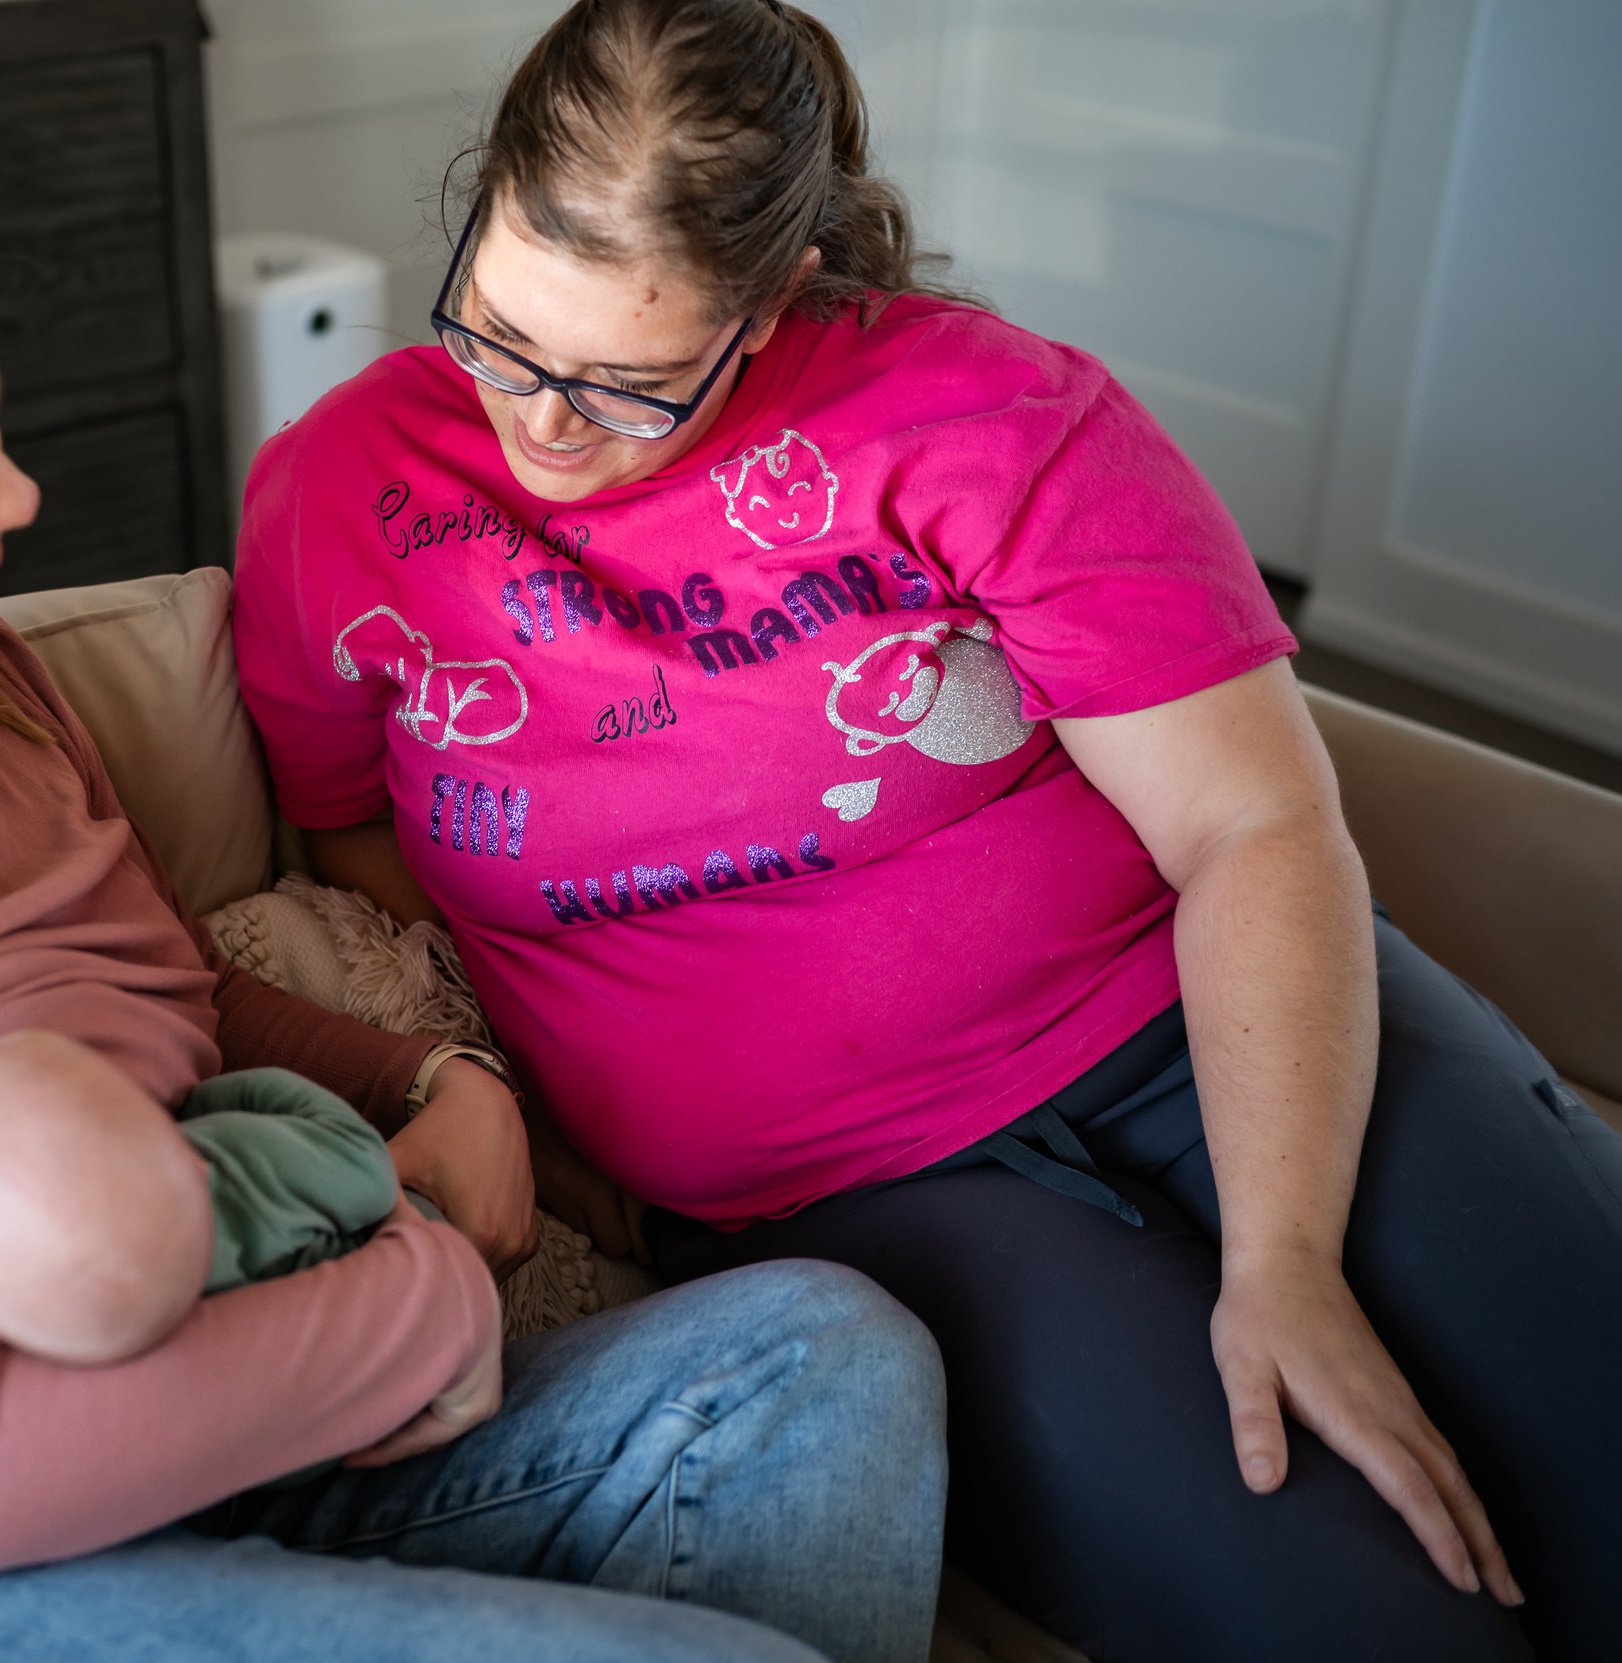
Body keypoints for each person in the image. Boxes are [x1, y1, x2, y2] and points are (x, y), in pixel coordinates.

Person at [0, 141, 949, 1663]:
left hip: (202, 1370)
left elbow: (167, 992)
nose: (20, 492)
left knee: (825, 1356)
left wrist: (430, 1076)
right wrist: (417, 1292)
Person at [229, 3, 1622, 1660]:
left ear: (773, 301)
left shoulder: (986, 418)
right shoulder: (339, 493)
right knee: (1376, 1623)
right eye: (498, 334)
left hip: (1202, 1011)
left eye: (628, 384)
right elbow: (350, 838)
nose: (539, 423)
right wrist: (532, 1075)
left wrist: (1288, 1256)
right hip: (853, 1182)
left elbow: (1255, 821)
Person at [0, 1040, 399, 1366]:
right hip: (420, 1299)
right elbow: (371, 1170)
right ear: (195, 1165)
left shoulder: (144, 1358)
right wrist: (216, 1102)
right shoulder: (244, 1163)